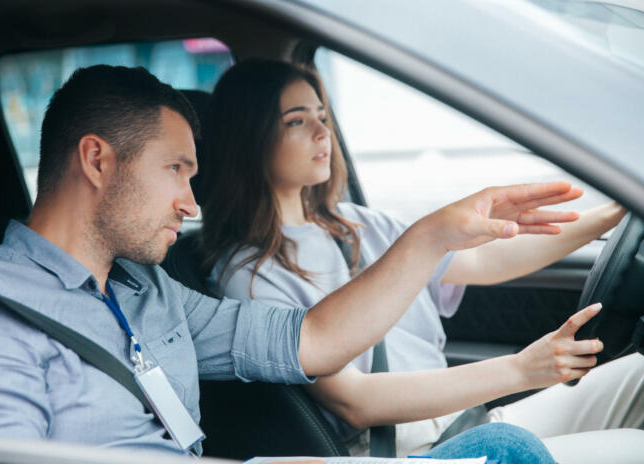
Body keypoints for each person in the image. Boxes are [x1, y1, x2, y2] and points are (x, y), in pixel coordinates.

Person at [0, 65, 568, 464]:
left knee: (500, 448)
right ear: (98, 161)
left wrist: (433, 236)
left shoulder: (152, 292)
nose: (192, 202)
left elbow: (315, 339)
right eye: (176, 171)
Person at [199, 59, 644, 462]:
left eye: (322, 116)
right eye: (297, 121)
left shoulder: (357, 223)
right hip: (403, 451)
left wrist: (619, 208)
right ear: (249, 137)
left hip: (461, 421)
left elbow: (489, 262)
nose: (322, 133)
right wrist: (520, 369)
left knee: (639, 375)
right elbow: (357, 402)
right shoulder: (249, 273)